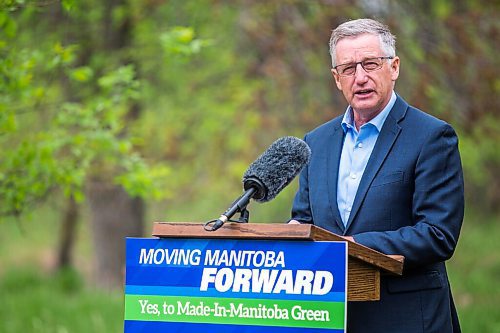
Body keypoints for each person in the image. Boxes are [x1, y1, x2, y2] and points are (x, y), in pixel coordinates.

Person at [289, 18, 464, 332]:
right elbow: (304, 219)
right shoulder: (315, 142)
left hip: (407, 318)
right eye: (348, 68)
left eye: (370, 64)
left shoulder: (432, 137)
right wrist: (287, 237)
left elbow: (438, 235)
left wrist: (353, 246)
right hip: (330, 316)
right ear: (336, 78)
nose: (360, 78)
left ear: (394, 67)